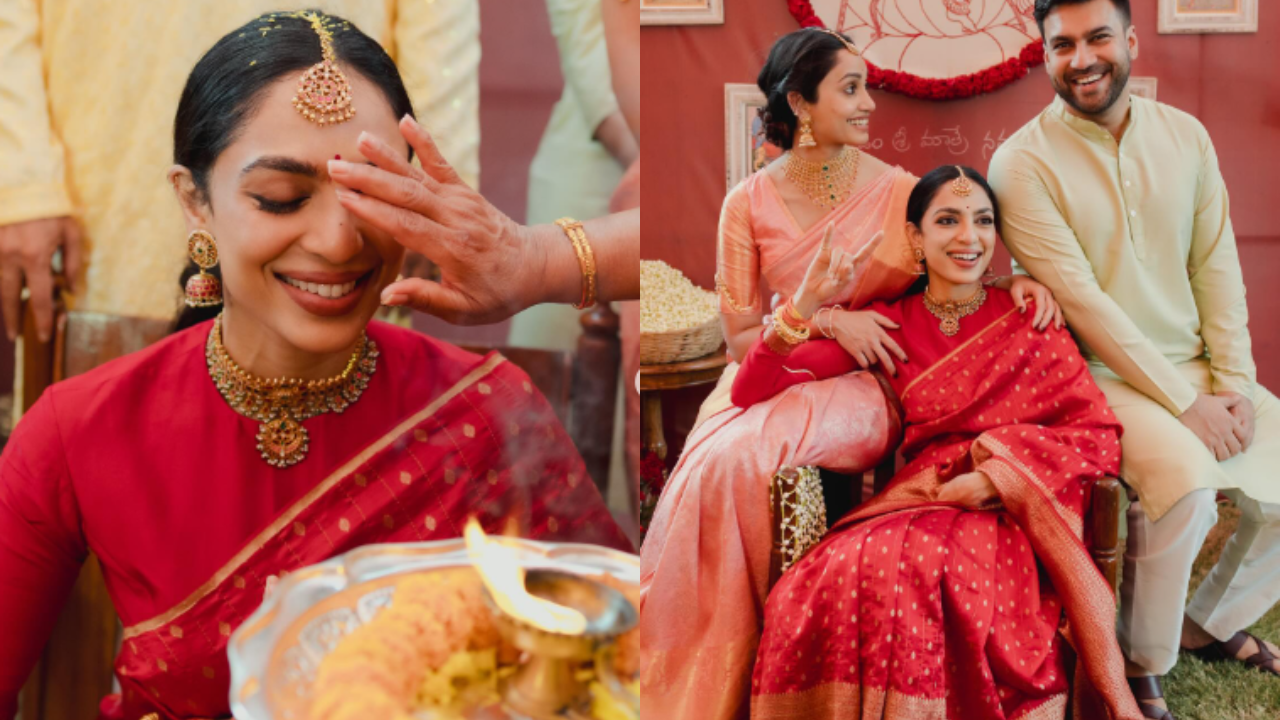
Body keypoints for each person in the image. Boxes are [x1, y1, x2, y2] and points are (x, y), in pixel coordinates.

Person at [0, 14, 628, 720]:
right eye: (281, 199)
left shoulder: (489, 416)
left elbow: (613, 679)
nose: (337, 242)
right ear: (193, 201)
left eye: (372, 193)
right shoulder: (80, 429)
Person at [638, 29, 1061, 720]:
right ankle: (695, 665)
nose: (870, 104)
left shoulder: (897, 192)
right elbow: (742, 337)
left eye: (867, 86)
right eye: (852, 89)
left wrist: (1015, 284)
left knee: (742, 458)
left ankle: (752, 662)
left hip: (870, 380)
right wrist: (830, 318)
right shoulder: (745, 204)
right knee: (715, 459)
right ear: (801, 104)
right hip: (774, 362)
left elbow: (955, 261)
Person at [740, 165, 1141, 720]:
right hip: (922, 498)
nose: (968, 237)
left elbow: (1094, 435)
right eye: (947, 220)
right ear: (915, 238)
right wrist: (813, 308)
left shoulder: (1029, 316)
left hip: (1013, 508)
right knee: (823, 578)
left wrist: (996, 478)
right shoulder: (888, 327)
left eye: (982, 221)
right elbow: (751, 388)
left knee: (934, 572)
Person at [989, 1, 1280, 716]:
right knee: (1182, 483)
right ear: (1044, 54)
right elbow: (1083, 303)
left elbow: (1216, 267)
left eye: (1097, 38)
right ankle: (1144, 660)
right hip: (1100, 376)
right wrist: (1187, 408)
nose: (1081, 58)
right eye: (1062, 45)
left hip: (1200, 372)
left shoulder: (1187, 136)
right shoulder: (1019, 162)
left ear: (1132, 40)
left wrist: (1233, 386)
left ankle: (1205, 621)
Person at [0, 0, 479, 342]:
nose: (333, 242)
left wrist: (431, 186)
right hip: (105, 141)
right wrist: (20, 174)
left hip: (357, 112)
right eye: (279, 195)